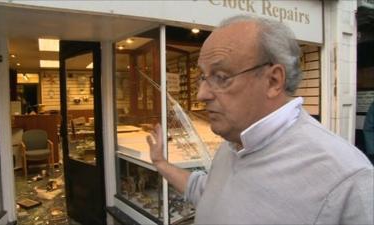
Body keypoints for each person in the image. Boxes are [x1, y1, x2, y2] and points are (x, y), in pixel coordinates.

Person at [146, 15, 374, 224]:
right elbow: (209, 193)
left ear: (273, 81)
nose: (201, 94)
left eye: (221, 77)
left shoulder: (347, 179)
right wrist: (161, 163)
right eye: (203, 78)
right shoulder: (234, 143)